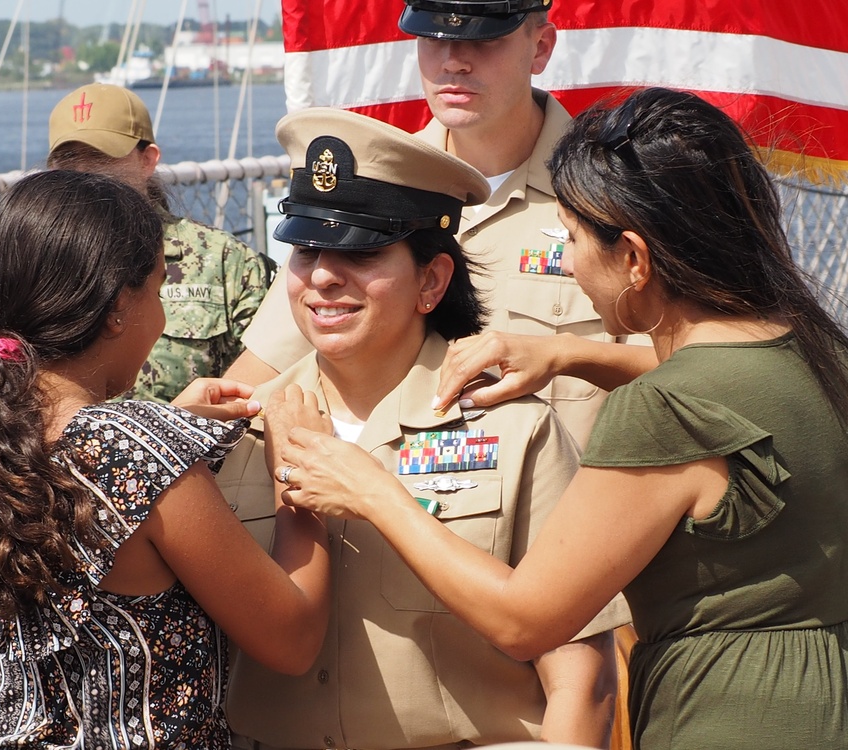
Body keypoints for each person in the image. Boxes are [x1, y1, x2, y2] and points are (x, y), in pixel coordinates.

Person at [273, 88, 848, 749]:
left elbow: (525, 620)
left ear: (633, 259)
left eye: (572, 239)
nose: (566, 263)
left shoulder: (662, 415)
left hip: (727, 719)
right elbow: (732, 394)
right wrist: (569, 352)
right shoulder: (818, 354)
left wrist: (373, 492)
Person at [216, 107, 630, 750]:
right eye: (306, 248)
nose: (324, 274)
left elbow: (581, 680)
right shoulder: (227, 436)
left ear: (432, 279)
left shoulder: (516, 429)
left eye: (362, 249)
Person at [0, 169, 330, 749]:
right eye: (157, 291)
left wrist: (169, 431)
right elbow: (293, 638)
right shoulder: (137, 452)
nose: (160, 317)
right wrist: (299, 477)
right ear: (116, 310)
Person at [225, 0, 654, 449]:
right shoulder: (371, 189)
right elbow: (254, 381)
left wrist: (566, 356)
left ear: (541, 47)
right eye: (433, 39)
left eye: (483, 39)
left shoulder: (616, 196)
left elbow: (694, 374)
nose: (453, 62)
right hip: (375, 501)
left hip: (565, 504)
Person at [0, 82, 273, 401]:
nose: (82, 171)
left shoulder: (224, 263)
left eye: (100, 156)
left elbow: (270, 375)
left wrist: (184, 429)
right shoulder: (22, 269)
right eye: (67, 158)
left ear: (147, 160)